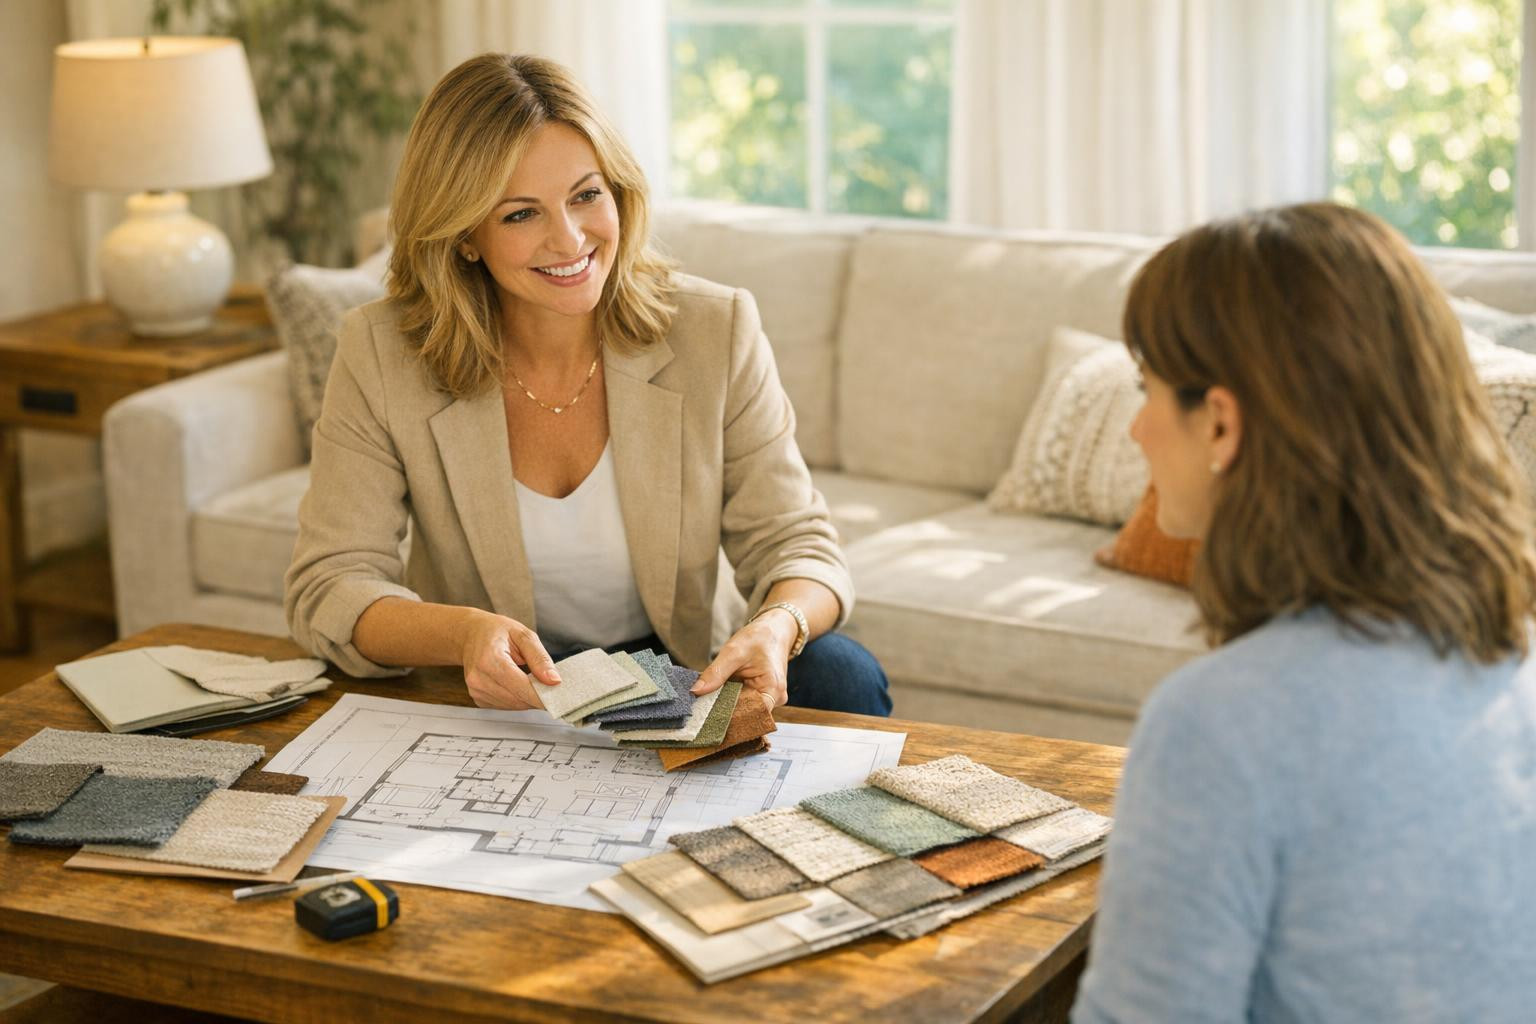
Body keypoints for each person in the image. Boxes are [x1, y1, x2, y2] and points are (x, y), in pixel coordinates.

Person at [284, 53, 891, 718]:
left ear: (618, 194)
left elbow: (797, 542)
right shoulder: (381, 351)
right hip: (504, 684)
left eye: (585, 195)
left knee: (841, 672)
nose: (569, 238)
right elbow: (331, 582)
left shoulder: (714, 328)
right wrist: (462, 634)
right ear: (464, 236)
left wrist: (778, 627)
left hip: (681, 667)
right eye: (520, 214)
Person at [1071, 203, 1536, 1023]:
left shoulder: (1221, 722)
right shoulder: (1509, 660)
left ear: (1220, 422)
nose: (1140, 429)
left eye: (1146, 391)